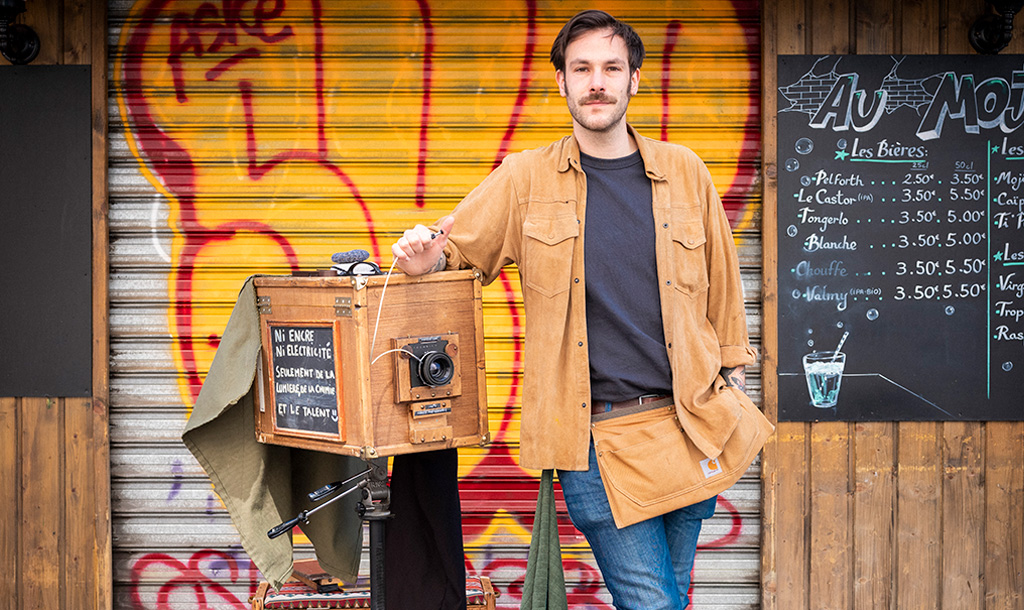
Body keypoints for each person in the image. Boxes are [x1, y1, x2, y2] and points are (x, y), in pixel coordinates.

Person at [391, 10, 756, 610]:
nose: (597, 82)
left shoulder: (685, 171)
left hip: (690, 424)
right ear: (561, 81)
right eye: (581, 68)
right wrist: (422, 261)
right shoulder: (525, 177)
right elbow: (455, 253)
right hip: (596, 437)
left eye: (612, 68)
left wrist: (732, 385)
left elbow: (723, 288)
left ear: (634, 80)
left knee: (672, 593)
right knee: (652, 602)